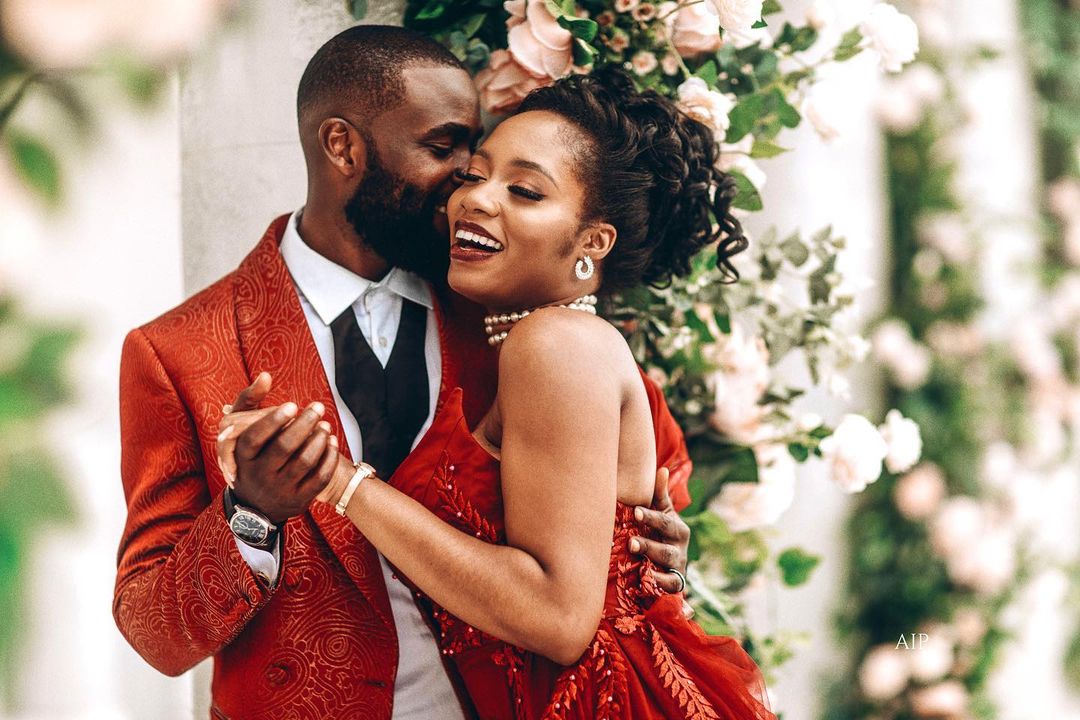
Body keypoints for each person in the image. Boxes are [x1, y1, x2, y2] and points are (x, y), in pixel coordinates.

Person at [113, 25, 691, 719]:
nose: (466, 181)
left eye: (476, 157)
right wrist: (251, 515)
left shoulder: (511, 307)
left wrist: (657, 554)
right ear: (343, 147)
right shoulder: (176, 350)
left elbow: (644, 487)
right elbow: (153, 632)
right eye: (445, 150)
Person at [219, 69, 775, 719]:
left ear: (593, 242)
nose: (476, 200)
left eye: (525, 191)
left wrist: (338, 480)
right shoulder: (542, 341)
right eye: (474, 175)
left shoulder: (555, 344)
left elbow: (558, 618)